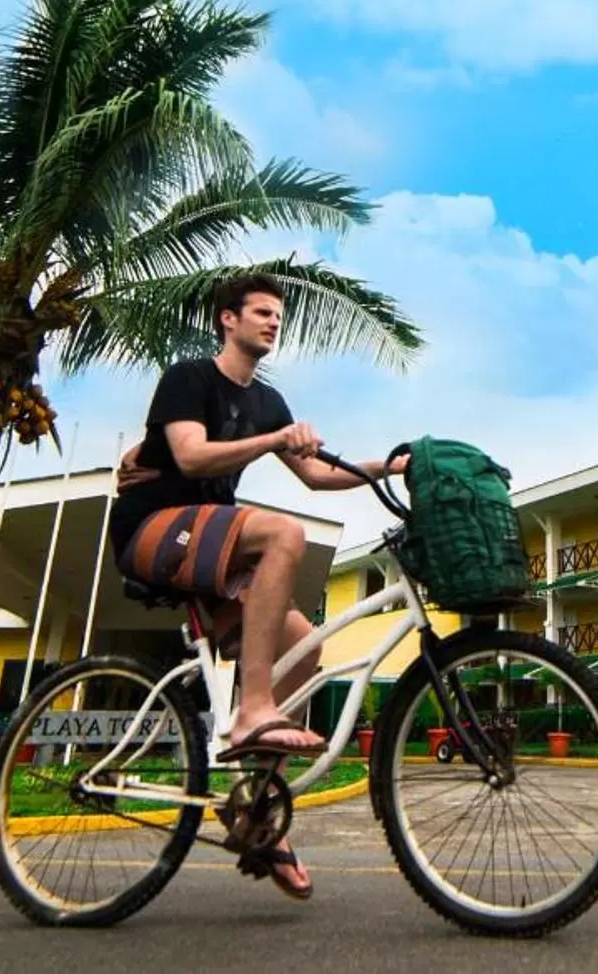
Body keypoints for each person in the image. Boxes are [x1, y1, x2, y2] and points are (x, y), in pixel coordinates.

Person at [110, 272, 406, 899]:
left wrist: (395, 465)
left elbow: (320, 477)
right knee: (283, 535)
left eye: (278, 315)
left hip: (207, 546)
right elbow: (190, 457)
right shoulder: (189, 378)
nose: (274, 322)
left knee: (302, 644)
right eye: (262, 312)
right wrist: (273, 440)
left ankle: (258, 812)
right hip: (151, 529)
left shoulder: (268, 402)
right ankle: (252, 709)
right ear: (228, 319)